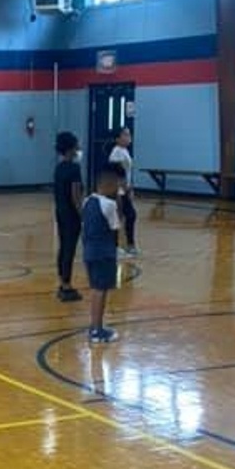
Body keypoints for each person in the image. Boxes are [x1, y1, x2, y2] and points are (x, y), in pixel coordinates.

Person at [83, 167, 124, 343]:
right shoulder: (109, 204)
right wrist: (120, 200)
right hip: (104, 253)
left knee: (95, 289)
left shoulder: (87, 201)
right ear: (109, 185)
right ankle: (97, 330)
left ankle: (94, 325)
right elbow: (116, 226)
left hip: (89, 252)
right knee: (101, 291)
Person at [53, 131, 83, 303]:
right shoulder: (74, 169)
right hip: (71, 214)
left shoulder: (59, 168)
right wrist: (83, 215)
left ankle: (62, 279)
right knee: (69, 248)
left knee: (63, 246)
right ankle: (66, 285)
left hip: (60, 212)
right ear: (71, 148)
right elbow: (76, 194)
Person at [108, 127, 137, 257]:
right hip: (118, 191)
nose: (128, 137)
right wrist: (124, 190)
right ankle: (116, 246)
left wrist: (130, 188)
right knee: (123, 217)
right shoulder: (117, 152)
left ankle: (128, 245)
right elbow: (116, 174)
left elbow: (127, 173)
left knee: (128, 216)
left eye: (129, 134)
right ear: (118, 138)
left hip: (124, 190)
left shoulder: (124, 151)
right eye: (125, 134)